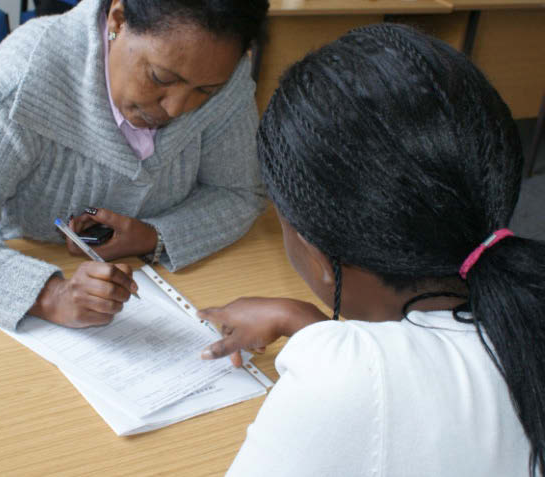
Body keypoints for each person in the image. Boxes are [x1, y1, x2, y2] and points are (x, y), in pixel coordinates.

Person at [198, 24, 545, 476]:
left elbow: (375, 398)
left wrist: (338, 357)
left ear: (316, 253)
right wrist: (313, 330)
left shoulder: (348, 387)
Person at [0, 0, 268, 330]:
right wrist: (50, 295)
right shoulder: (22, 80)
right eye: (161, 78)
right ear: (118, 19)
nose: (176, 108)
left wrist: (152, 236)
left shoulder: (223, 75)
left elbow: (239, 193)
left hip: (174, 288)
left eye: (204, 91)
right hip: (13, 280)